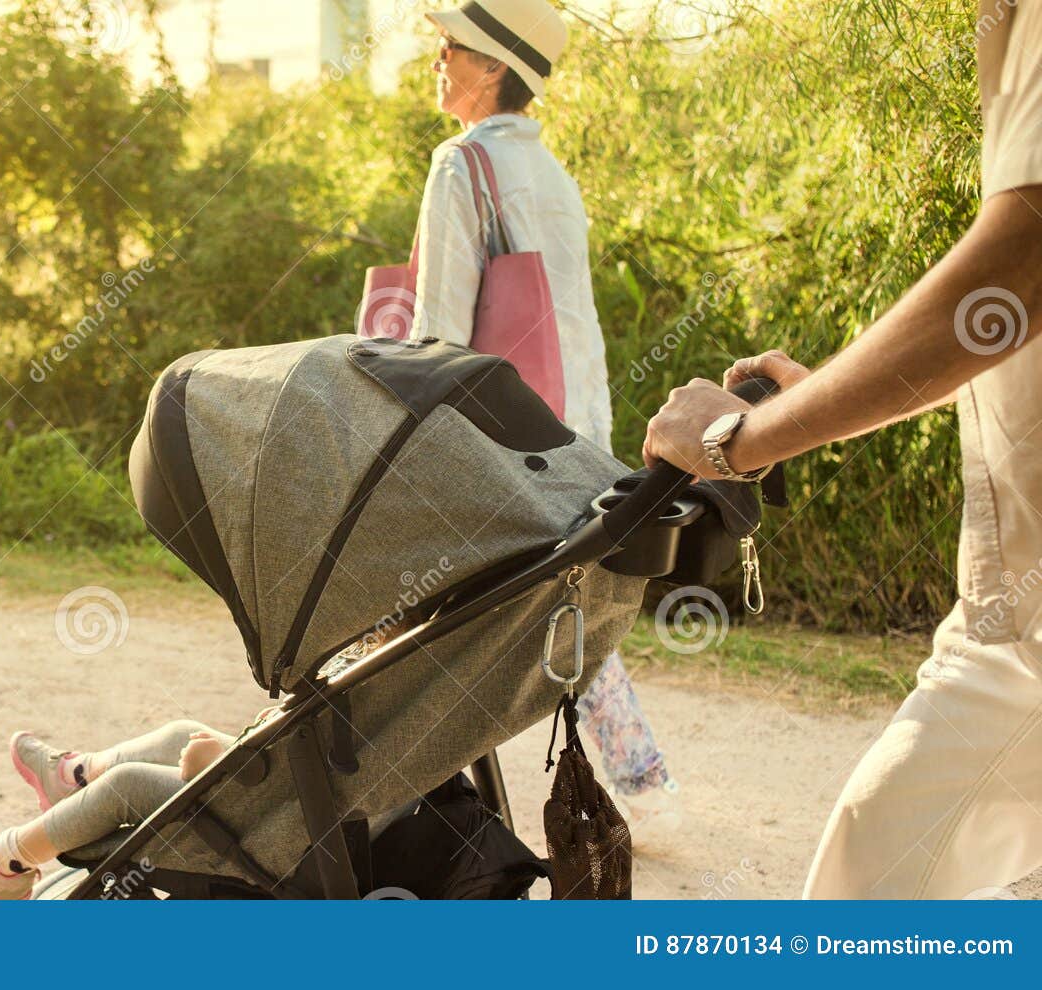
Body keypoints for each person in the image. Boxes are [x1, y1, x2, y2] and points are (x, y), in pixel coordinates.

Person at [644, 0, 1042, 898]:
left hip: (1024, 640)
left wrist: (735, 439)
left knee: (862, 902)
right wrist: (826, 397)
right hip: (1012, 618)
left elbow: (1018, 266)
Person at [416, 0, 679, 825]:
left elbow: (437, 334)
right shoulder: (554, 177)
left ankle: (413, 794)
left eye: (451, 47)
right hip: (574, 418)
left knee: (452, 596)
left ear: (493, 68)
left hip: (496, 431)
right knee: (557, 599)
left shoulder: (462, 165)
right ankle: (642, 784)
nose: (438, 58)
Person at [0, 721, 232, 899]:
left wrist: (215, 767)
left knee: (127, 785)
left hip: (267, 819)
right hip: (275, 791)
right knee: (180, 734)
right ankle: (75, 776)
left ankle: (2, 863)